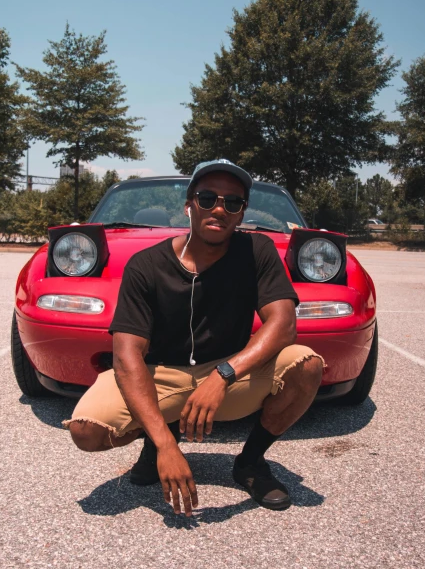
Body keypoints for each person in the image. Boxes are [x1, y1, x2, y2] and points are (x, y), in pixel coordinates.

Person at [64, 160, 324, 516]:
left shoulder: (258, 251)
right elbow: (126, 357)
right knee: (85, 431)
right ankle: (155, 447)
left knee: (306, 365)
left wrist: (224, 375)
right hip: (161, 377)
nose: (220, 208)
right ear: (188, 205)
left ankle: (249, 463)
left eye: (233, 202)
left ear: (242, 212)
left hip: (229, 374)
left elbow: (283, 325)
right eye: (207, 198)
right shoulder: (145, 265)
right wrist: (167, 444)